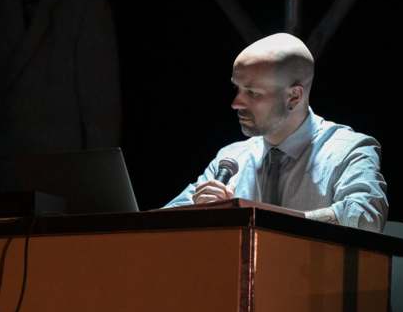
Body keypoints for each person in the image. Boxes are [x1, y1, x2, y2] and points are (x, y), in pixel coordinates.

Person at [164, 33, 388, 232]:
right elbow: (163, 220)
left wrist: (257, 219)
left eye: (252, 93)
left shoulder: (348, 150)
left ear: (294, 97)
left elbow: (366, 216)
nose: (235, 103)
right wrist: (202, 214)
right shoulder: (230, 159)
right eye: (237, 88)